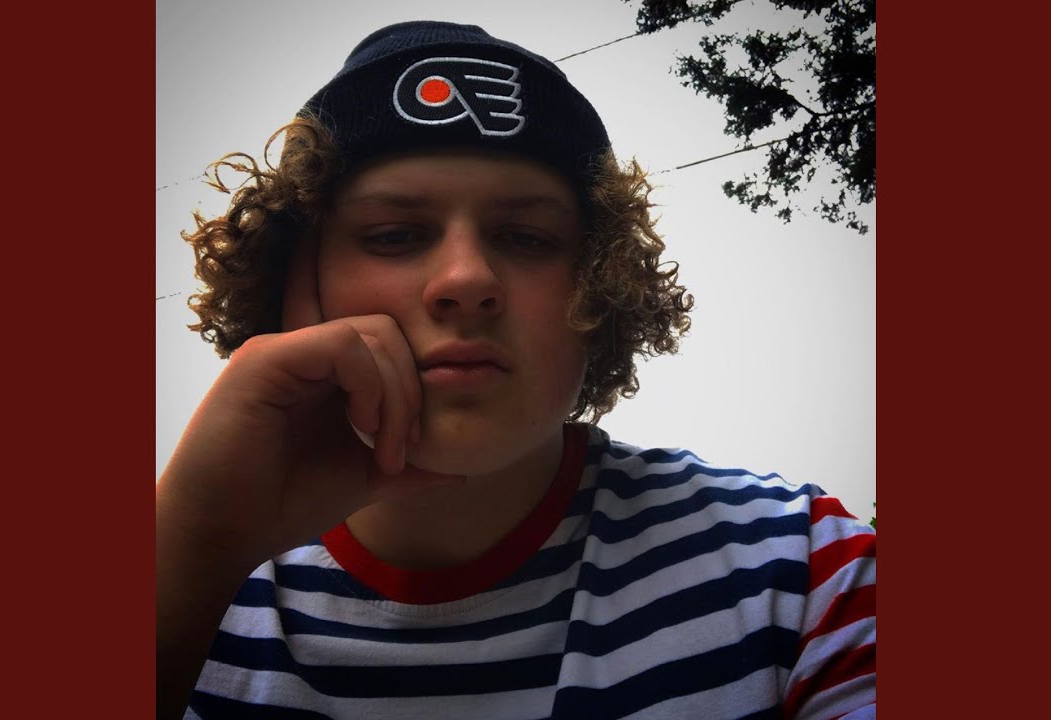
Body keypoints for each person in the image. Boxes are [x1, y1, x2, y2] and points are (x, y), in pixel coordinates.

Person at [156, 20, 876, 720]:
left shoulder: (804, 570)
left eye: (527, 237)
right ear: (293, 279)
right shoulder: (188, 588)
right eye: (394, 235)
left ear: (602, 284)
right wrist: (195, 540)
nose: (466, 278)